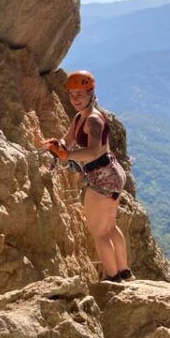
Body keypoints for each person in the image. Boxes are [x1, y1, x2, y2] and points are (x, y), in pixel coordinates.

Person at [45, 70, 135, 283]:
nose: (75, 99)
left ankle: (114, 279)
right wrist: (58, 146)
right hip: (111, 174)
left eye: (80, 94)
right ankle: (124, 272)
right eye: (72, 94)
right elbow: (68, 139)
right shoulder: (80, 118)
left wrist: (66, 155)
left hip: (102, 178)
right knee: (110, 227)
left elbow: (93, 151)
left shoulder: (93, 120)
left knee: (99, 232)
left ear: (91, 94)